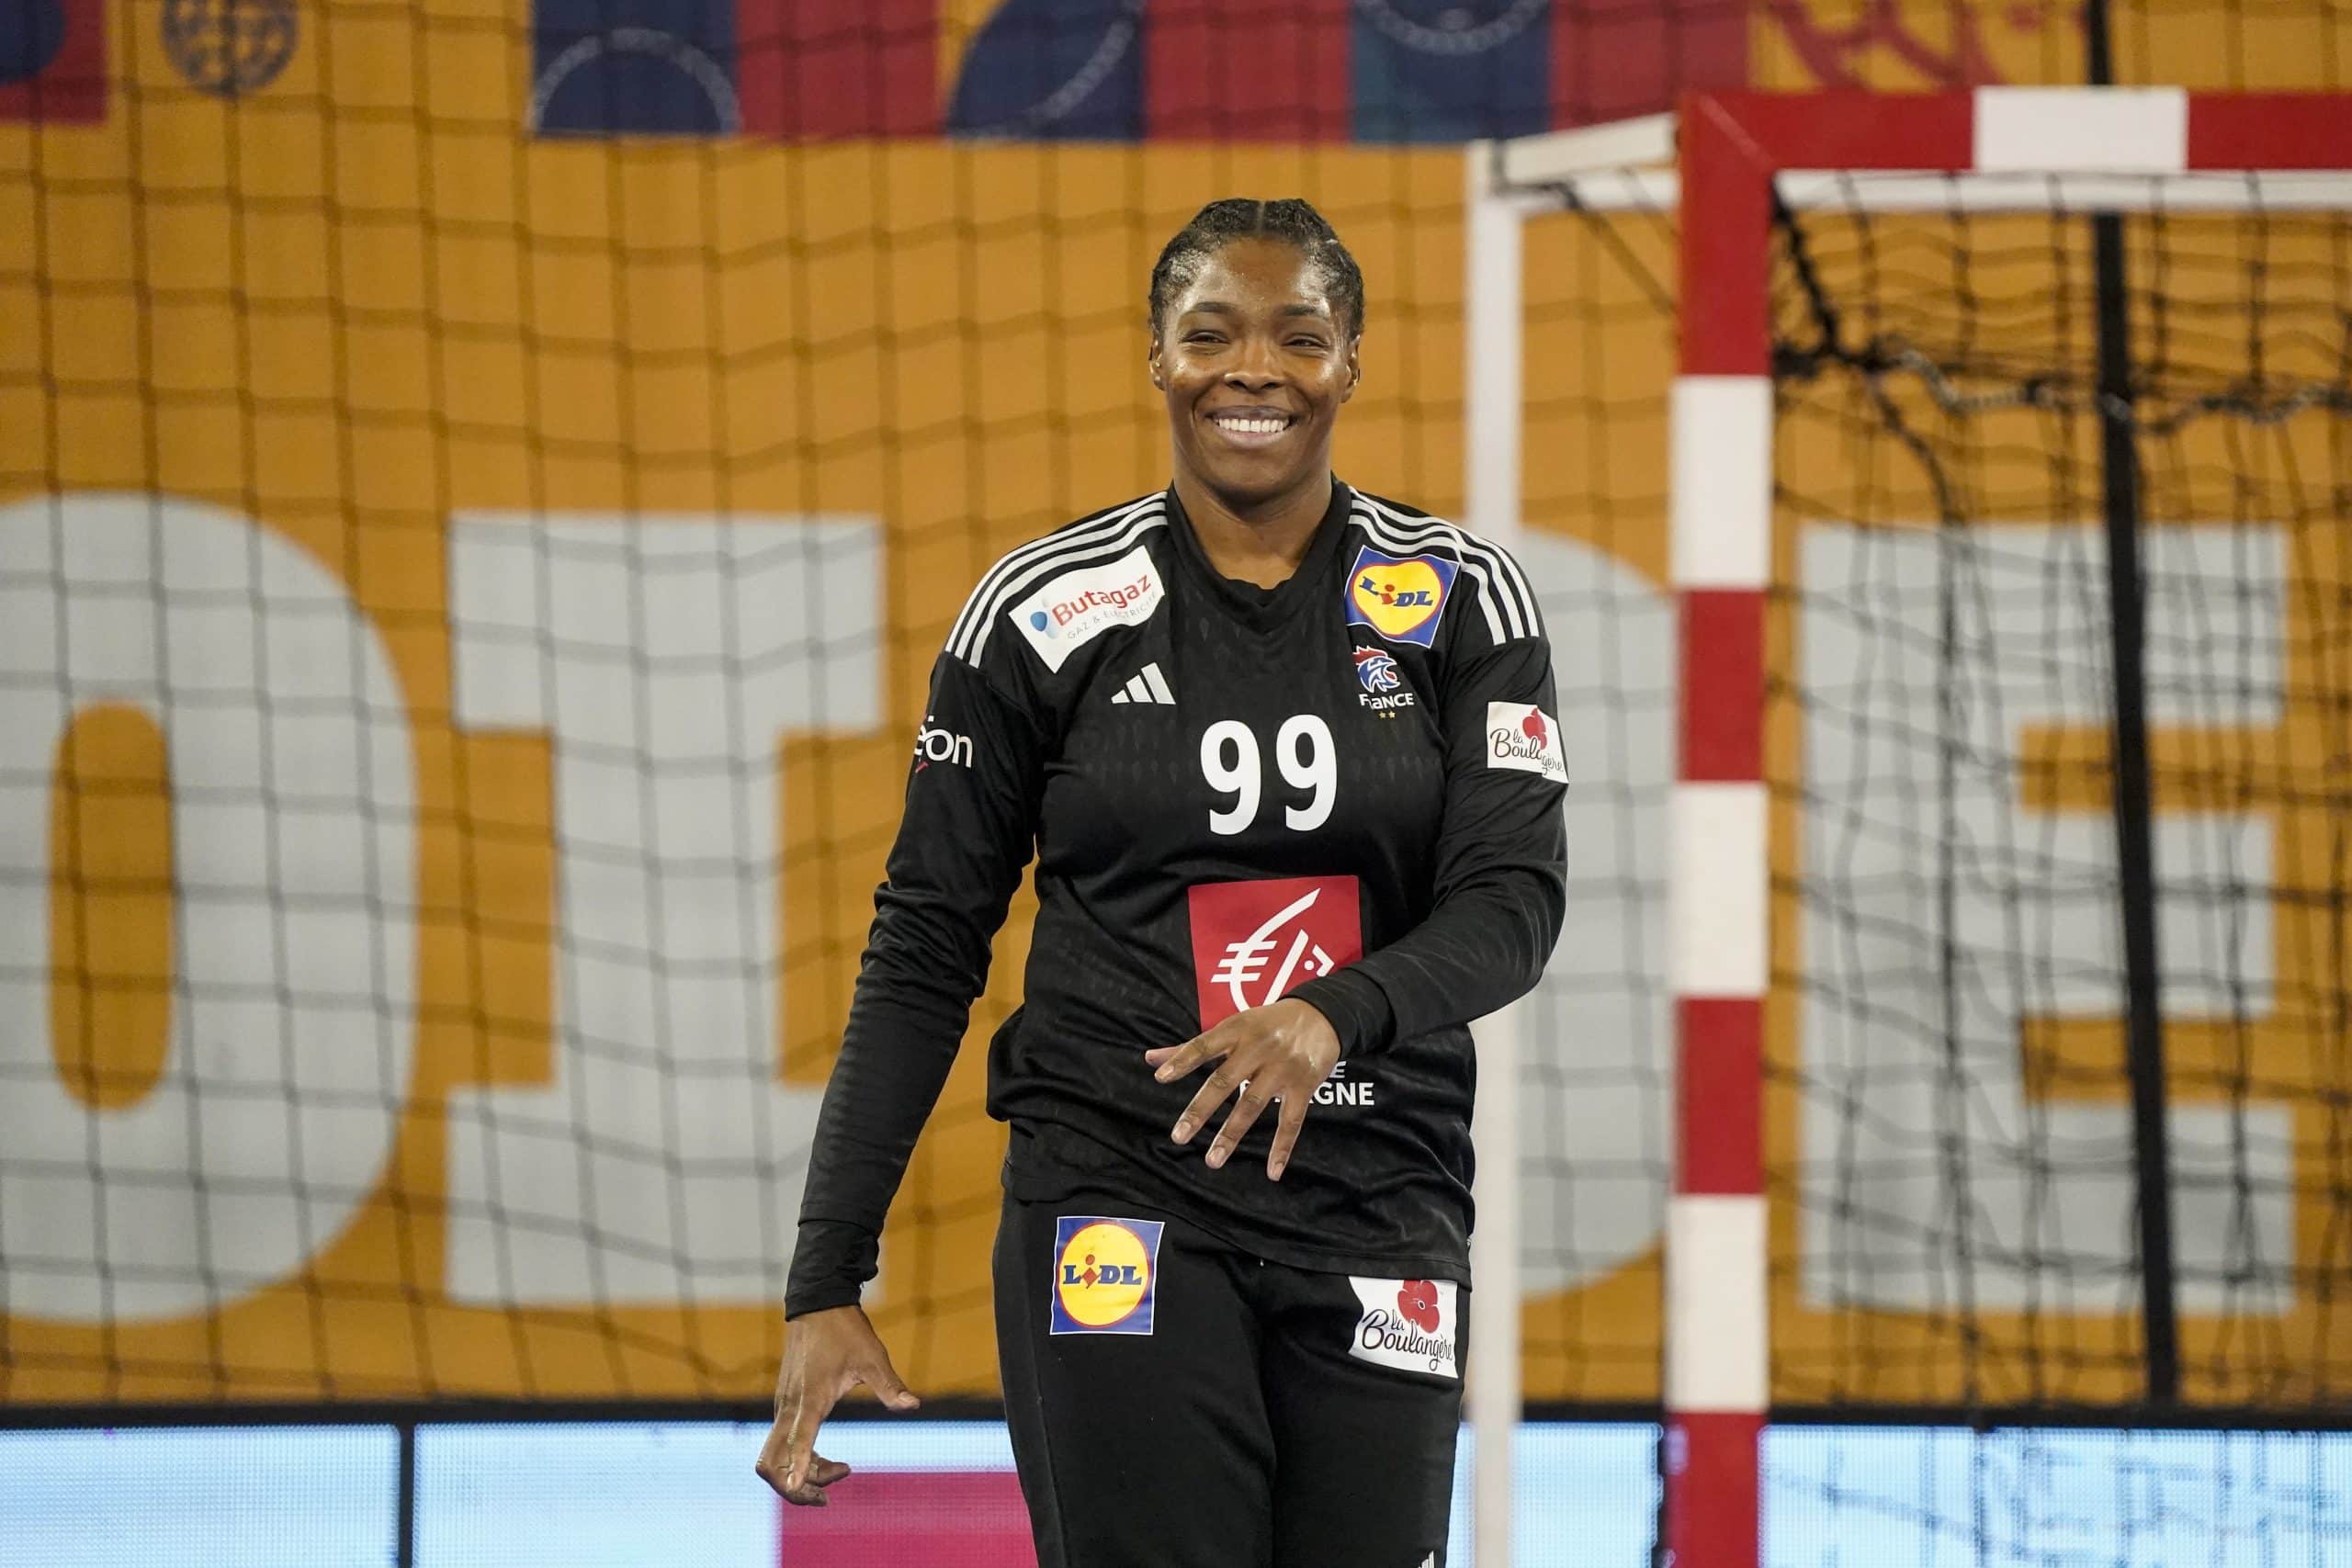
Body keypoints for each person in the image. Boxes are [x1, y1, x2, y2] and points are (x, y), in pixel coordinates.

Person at [755, 197, 1567, 1568]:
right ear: (1158, 357)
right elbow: (925, 944)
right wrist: (826, 1274)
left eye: (1299, 336)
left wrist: (1331, 1014)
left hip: (1379, 1191)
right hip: (1120, 1193)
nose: (1254, 369)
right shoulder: (1036, 610)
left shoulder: (1461, 598)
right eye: (1211, 334)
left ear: (1352, 361)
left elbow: (1512, 905)